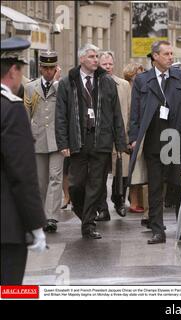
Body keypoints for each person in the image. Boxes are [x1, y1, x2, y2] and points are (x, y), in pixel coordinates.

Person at [55, 43, 127, 239]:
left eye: (97, 56)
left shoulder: (107, 82)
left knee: (96, 184)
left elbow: (116, 115)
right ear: (81, 59)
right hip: (78, 139)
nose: (96, 60)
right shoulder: (67, 82)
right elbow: (60, 115)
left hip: (101, 139)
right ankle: (84, 213)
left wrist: (120, 143)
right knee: (76, 185)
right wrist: (63, 143)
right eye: (92, 56)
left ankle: (88, 224)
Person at [128, 40, 181, 244]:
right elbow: (135, 112)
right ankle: (157, 229)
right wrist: (134, 137)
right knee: (155, 187)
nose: (171, 57)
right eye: (166, 54)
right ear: (155, 56)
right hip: (154, 139)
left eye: (171, 54)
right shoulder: (142, 80)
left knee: (179, 185)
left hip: (177, 137)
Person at [1, 37, 47, 284]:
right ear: (13, 71)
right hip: (7, 229)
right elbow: (22, 174)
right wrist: (36, 224)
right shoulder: (11, 109)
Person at [24, 51, 63, 233]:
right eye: (46, 68)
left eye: (52, 68)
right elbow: (27, 113)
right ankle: (41, 215)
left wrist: (56, 82)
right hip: (37, 138)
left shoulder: (61, 86)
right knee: (41, 181)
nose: (48, 71)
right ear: (40, 68)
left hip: (57, 139)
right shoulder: (31, 88)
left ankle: (51, 217)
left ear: (56, 69)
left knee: (55, 177)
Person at [96, 51, 131, 221]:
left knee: (121, 171)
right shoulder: (94, 84)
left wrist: (129, 135)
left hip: (120, 135)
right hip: (101, 137)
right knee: (100, 174)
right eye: (105, 64)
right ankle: (102, 208)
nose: (108, 67)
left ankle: (119, 201)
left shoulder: (123, 85)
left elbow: (130, 110)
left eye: (110, 64)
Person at [123, 62, 148, 215]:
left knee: (140, 170)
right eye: (137, 73)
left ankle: (140, 201)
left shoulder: (142, 88)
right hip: (131, 133)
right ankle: (134, 202)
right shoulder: (127, 88)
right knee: (134, 171)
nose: (140, 76)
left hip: (140, 133)